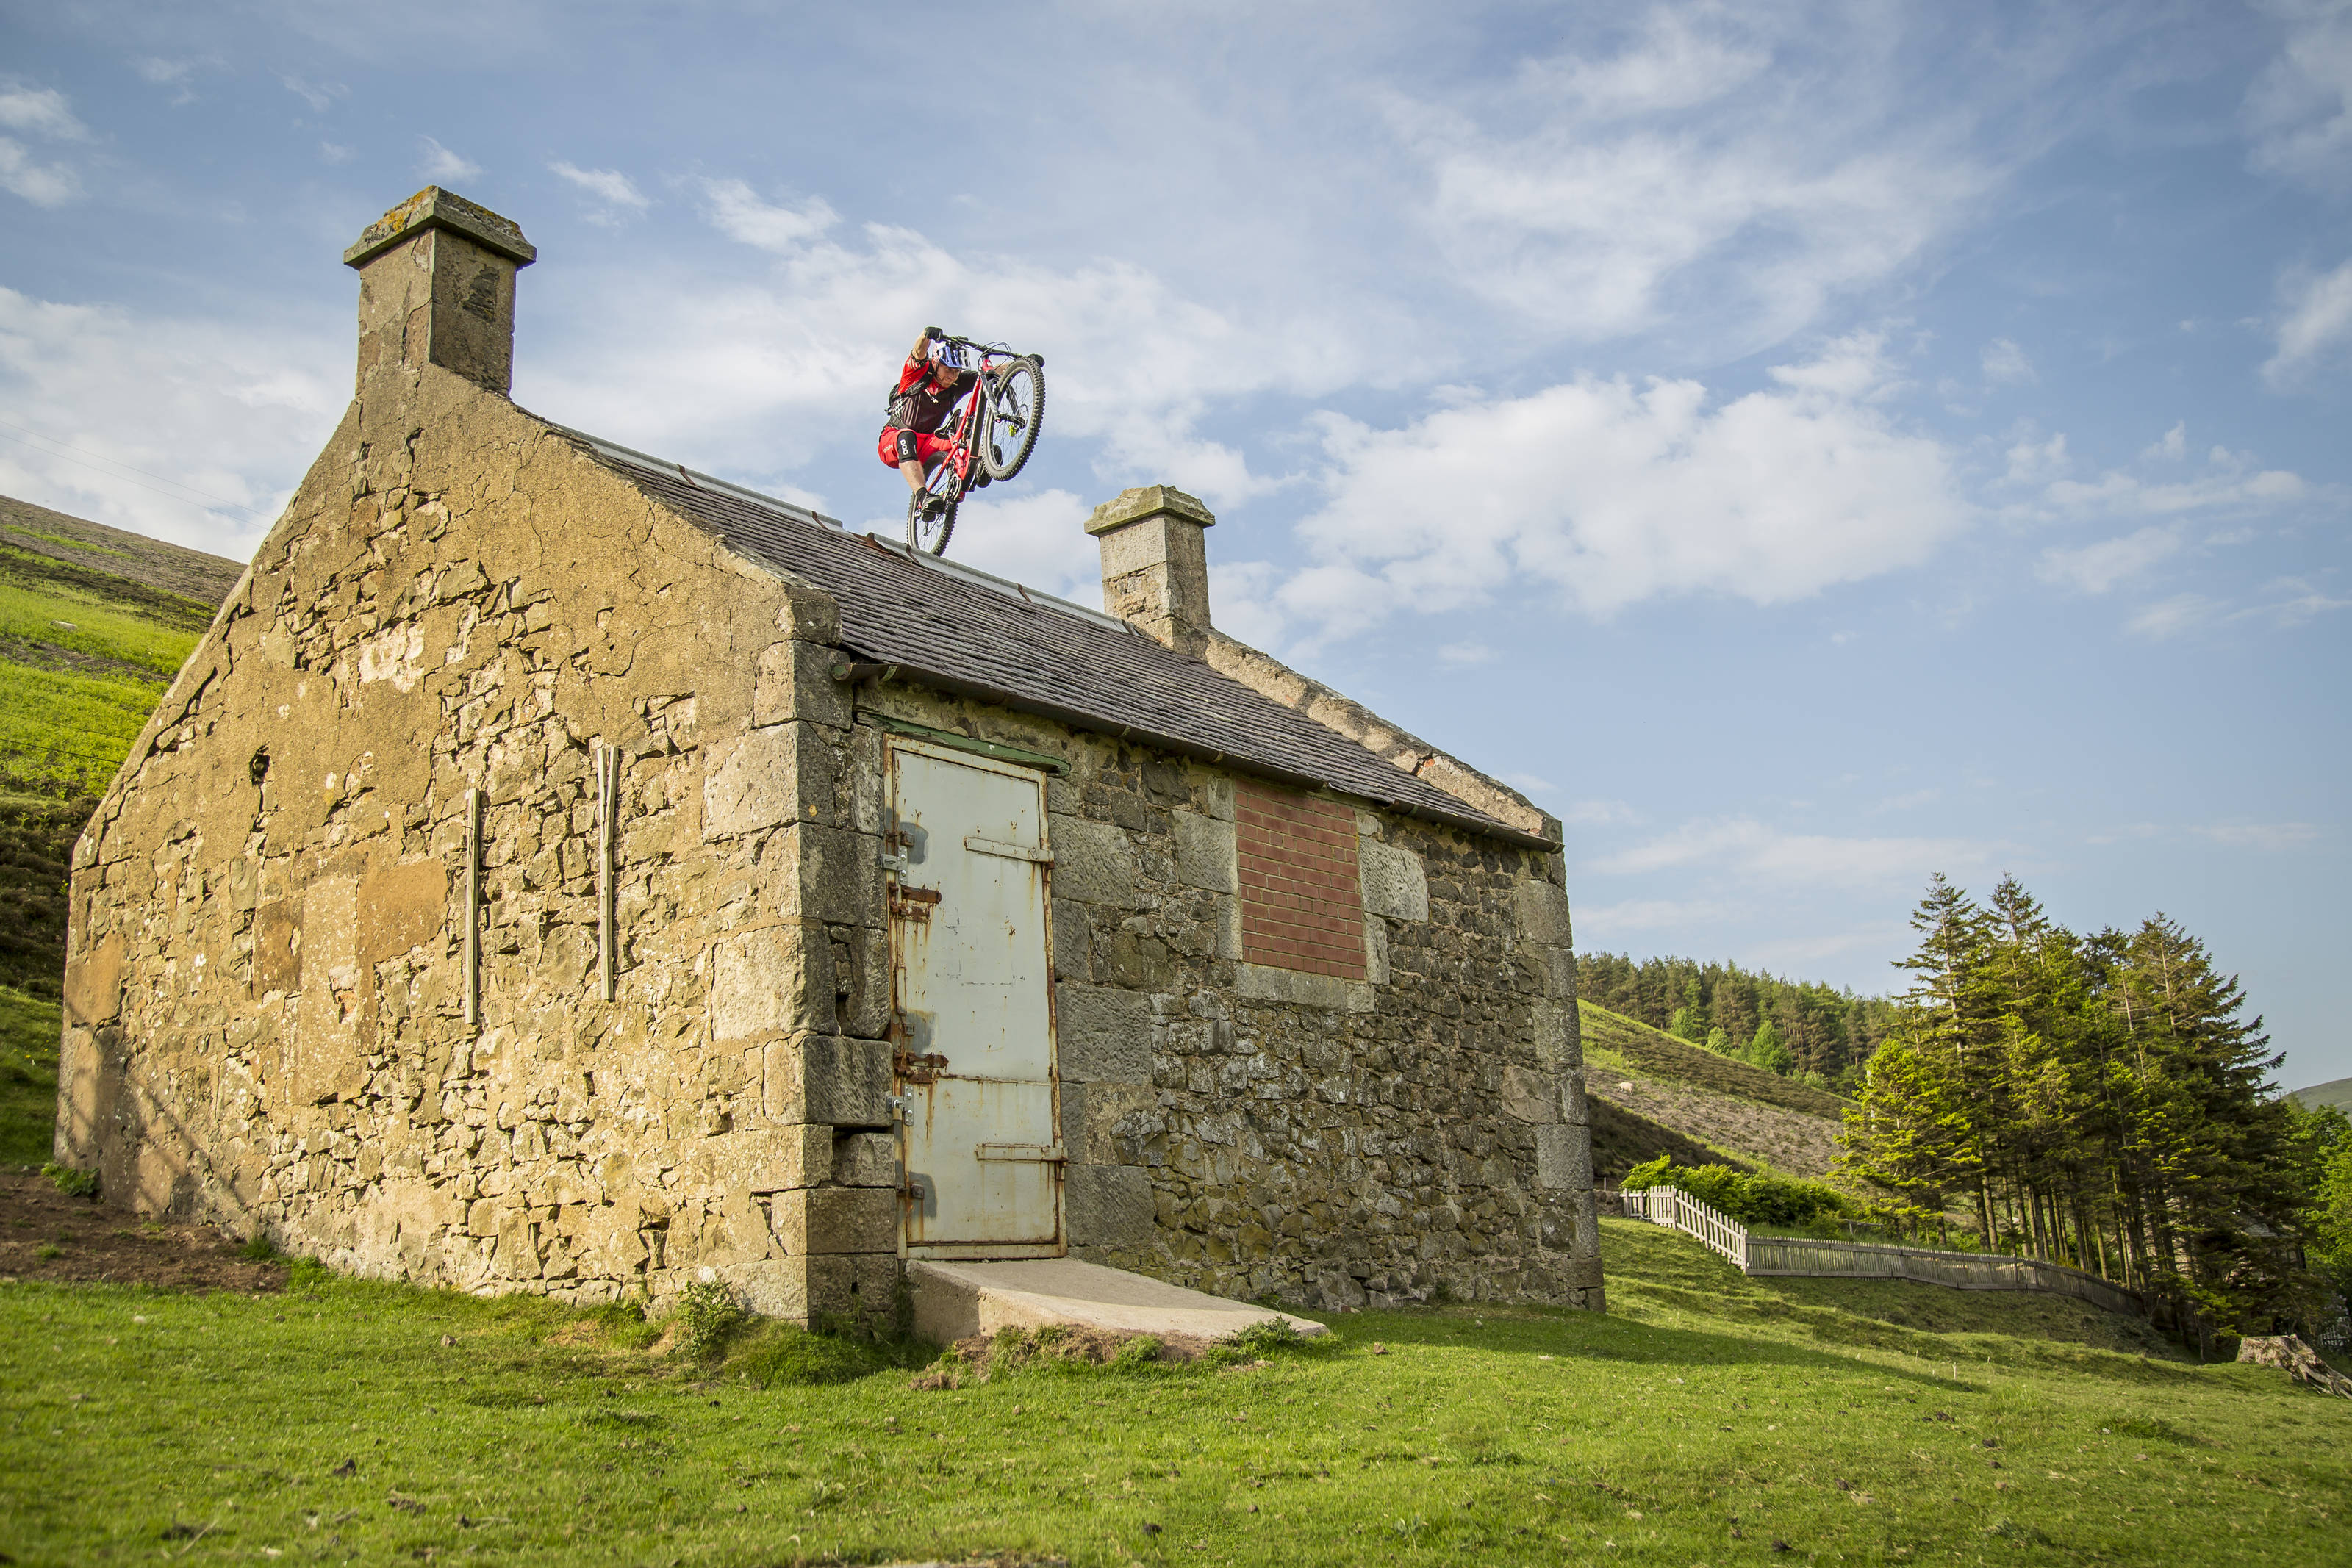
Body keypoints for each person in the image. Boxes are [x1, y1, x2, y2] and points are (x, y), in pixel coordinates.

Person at [878, 327, 986, 512]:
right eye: (947, 369)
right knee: (907, 436)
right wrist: (925, 335)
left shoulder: (957, 382)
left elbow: (993, 373)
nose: (951, 376)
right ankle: (923, 497)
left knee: (964, 424)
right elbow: (918, 352)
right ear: (936, 362)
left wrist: (1024, 364)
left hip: (929, 442)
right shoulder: (917, 374)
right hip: (894, 439)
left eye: (956, 371)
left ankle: (981, 463)